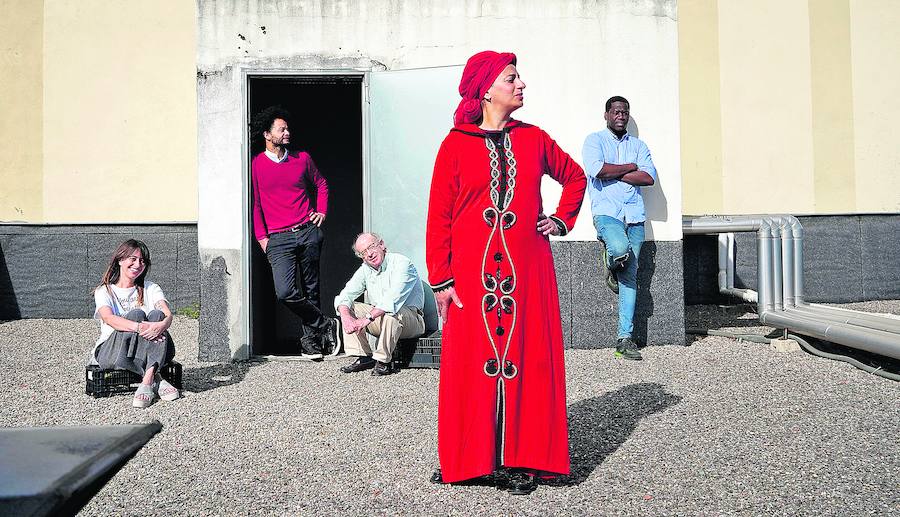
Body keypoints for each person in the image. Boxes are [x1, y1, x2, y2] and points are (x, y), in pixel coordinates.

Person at [425, 51, 586, 495]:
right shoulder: (455, 144)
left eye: (519, 78)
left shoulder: (534, 139)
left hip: (528, 271)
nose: (521, 85)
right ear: (487, 90)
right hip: (472, 279)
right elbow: (439, 216)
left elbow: (574, 177)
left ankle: (524, 459)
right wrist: (441, 278)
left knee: (529, 360)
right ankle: (466, 458)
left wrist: (559, 219)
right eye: (512, 78)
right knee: (467, 367)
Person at [251, 105, 334, 360]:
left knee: (312, 289)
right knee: (285, 292)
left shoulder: (302, 159)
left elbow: (321, 184)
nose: (287, 132)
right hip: (278, 238)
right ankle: (326, 324)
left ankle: (312, 344)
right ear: (267, 134)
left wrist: (321, 211)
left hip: (307, 232)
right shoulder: (256, 165)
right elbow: (256, 203)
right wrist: (262, 238)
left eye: (287, 128)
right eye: (281, 129)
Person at [581, 96, 657, 361]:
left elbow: (647, 178)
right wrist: (628, 168)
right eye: (616, 111)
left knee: (630, 278)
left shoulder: (639, 145)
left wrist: (614, 171)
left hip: (634, 217)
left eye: (625, 112)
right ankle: (611, 260)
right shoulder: (595, 141)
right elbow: (597, 170)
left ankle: (624, 338)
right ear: (606, 115)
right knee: (619, 249)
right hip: (607, 214)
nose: (621, 115)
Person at [91, 239, 179, 408]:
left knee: (157, 315)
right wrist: (140, 327)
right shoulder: (104, 291)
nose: (138, 264)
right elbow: (109, 318)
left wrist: (162, 324)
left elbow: (167, 314)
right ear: (120, 260)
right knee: (137, 314)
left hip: (143, 350)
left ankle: (147, 380)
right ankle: (156, 378)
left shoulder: (150, 288)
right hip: (112, 351)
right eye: (133, 259)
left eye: (142, 261)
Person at [334, 233, 426, 376]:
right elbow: (345, 295)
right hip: (381, 320)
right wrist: (346, 317)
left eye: (371, 247)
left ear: (381, 245)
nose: (369, 254)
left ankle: (383, 361)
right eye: (363, 252)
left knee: (391, 311)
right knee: (348, 306)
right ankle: (364, 357)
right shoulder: (365, 269)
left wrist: (366, 319)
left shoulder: (402, 263)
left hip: (411, 320)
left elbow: (392, 300)